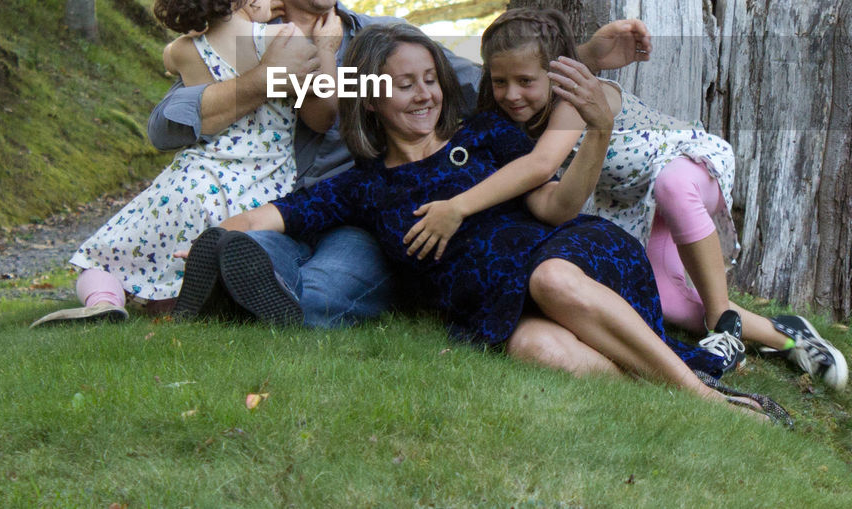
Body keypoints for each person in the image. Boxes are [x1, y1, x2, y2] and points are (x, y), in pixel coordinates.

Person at [177, 23, 785, 418]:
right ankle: (666, 390)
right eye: (402, 86)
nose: (423, 96)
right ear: (370, 99)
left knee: (549, 278)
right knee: (535, 349)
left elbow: (554, 204)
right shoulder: (366, 186)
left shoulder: (486, 135)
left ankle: (705, 401)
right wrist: (213, 238)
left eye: (429, 82)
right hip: (501, 310)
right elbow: (276, 214)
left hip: (572, 259)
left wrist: (595, 132)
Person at [145, 0, 658, 329]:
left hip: (360, 211)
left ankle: (254, 303)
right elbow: (166, 127)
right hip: (274, 205)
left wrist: (584, 55)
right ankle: (239, 279)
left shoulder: (384, 42)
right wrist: (264, 80)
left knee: (338, 281)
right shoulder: (242, 41)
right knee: (259, 248)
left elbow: (491, 90)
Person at [402, 8, 849, 389]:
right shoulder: (519, 114)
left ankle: (721, 318)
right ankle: (788, 337)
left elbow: (540, 166)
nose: (511, 93)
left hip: (685, 163)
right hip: (634, 202)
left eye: (524, 80)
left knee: (673, 185)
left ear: (556, 75)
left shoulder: (576, 98)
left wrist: (459, 206)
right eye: (500, 82)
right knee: (667, 305)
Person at [30, 0, 338, 326]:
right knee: (224, 261)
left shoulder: (182, 51)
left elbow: (184, 54)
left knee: (106, 255)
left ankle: (103, 301)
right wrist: (326, 48)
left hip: (188, 183)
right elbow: (324, 109)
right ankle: (197, 301)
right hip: (256, 190)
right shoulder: (281, 41)